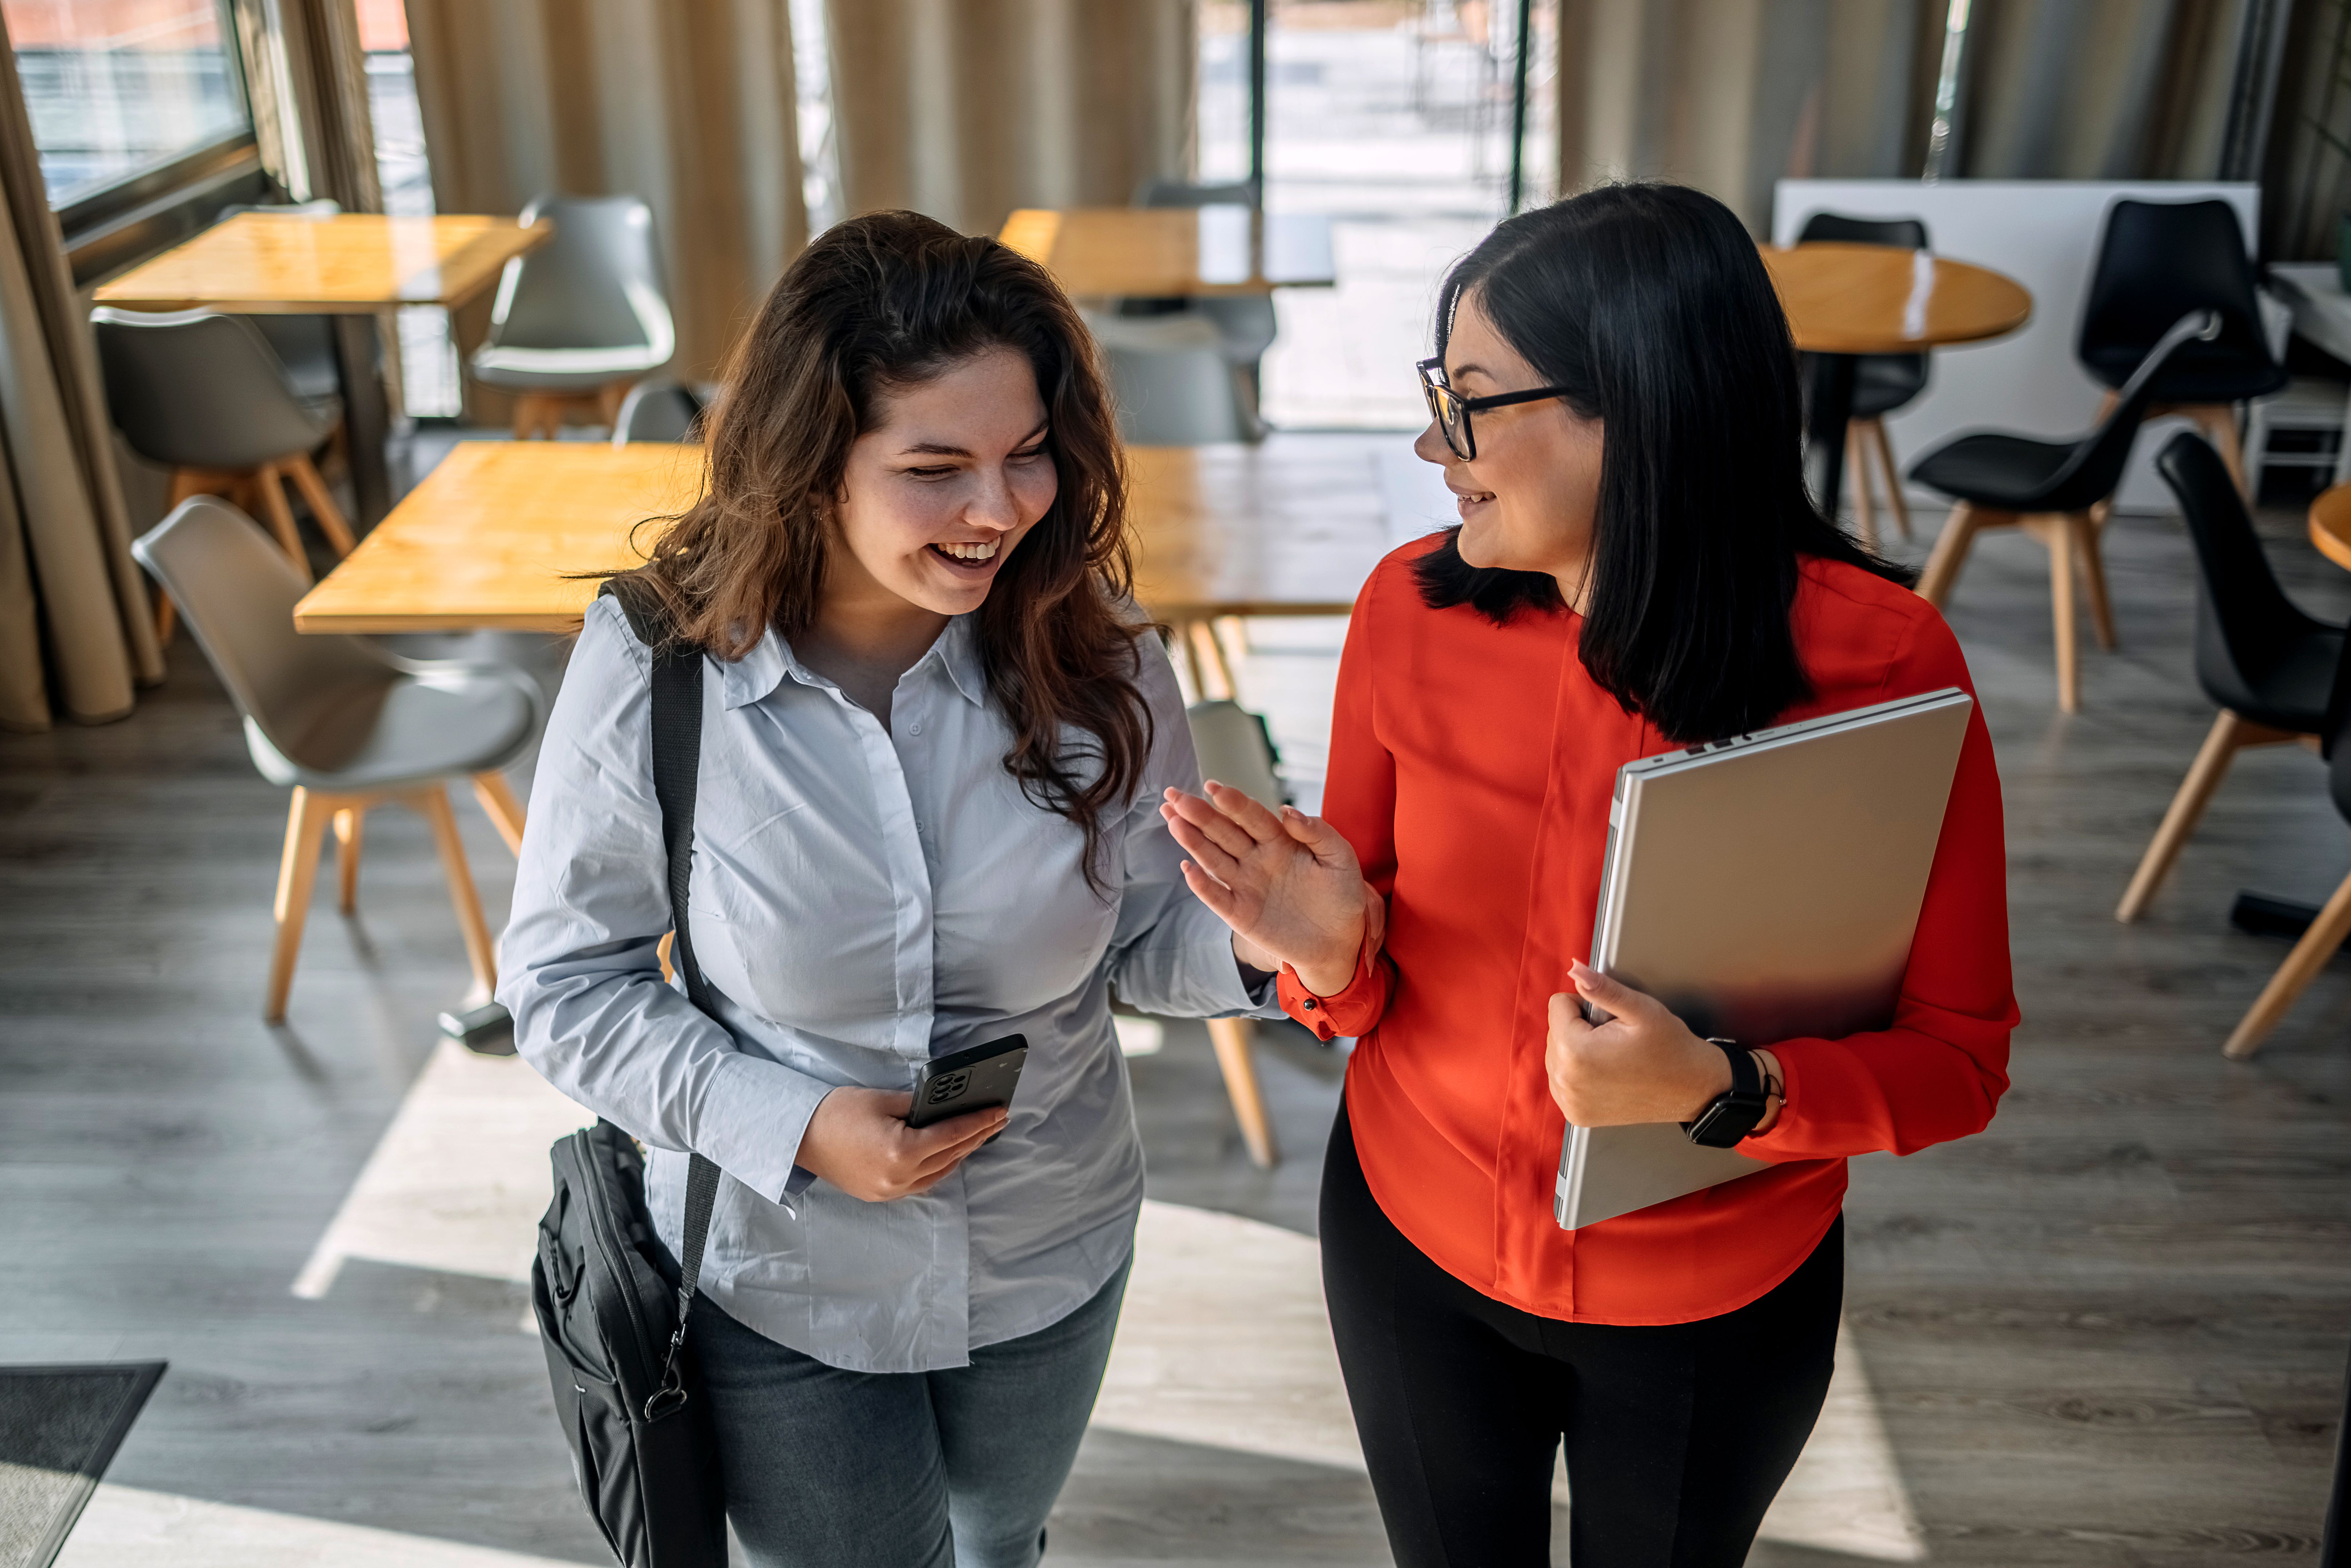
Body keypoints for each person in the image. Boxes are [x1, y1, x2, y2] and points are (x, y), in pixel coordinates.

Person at [1160, 183, 2016, 1567]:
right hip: (1408, 1252)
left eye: (1476, 400)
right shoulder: (1404, 612)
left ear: (1644, 405)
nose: (1437, 445)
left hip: (1713, 1310)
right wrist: (1320, 956)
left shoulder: (1886, 666)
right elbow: (1356, 981)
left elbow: (1958, 1063)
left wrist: (1716, 1092)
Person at [501, 209, 1283, 1568]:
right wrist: (793, 1121)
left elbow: (1151, 936)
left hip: (1054, 1245)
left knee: (1001, 1538)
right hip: (779, 1275)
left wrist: (1282, 953)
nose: (1000, 509)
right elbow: (567, 989)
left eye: (1028, 454)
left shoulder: (1099, 654)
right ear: (812, 467)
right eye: (937, 468)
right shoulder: (660, 663)